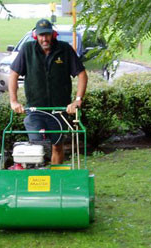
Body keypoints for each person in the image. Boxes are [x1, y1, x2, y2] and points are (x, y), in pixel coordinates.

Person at [9, 18, 88, 165]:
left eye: (47, 34)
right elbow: (13, 74)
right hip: (35, 109)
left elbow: (82, 74)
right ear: (35, 36)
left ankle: (55, 181)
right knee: (37, 147)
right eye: (41, 35)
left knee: (57, 146)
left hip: (59, 110)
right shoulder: (28, 50)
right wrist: (14, 101)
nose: (44, 39)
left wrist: (77, 100)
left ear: (53, 34)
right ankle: (39, 181)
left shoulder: (64, 49)